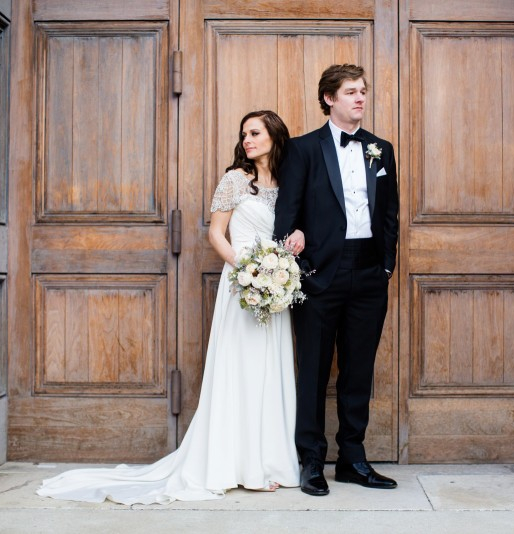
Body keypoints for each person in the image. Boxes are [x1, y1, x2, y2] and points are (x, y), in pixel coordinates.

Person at [37, 110, 304, 504]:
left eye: (255, 133)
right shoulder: (235, 180)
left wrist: (280, 264)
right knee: (241, 369)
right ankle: (236, 464)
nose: (247, 140)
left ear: (274, 136)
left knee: (270, 371)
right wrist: (247, 272)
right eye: (244, 134)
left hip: (275, 286)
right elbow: (216, 233)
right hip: (243, 283)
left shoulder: (286, 183)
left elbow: (291, 227)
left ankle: (268, 462)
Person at [274, 64, 399, 497]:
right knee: (312, 371)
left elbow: (389, 213)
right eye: (350, 92)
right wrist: (301, 268)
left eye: (363, 91)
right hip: (319, 275)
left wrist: (385, 265)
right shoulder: (302, 149)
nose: (360, 98)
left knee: (358, 370)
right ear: (330, 98)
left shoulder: (380, 149)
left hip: (368, 273)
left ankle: (352, 459)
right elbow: (285, 216)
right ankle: (311, 461)